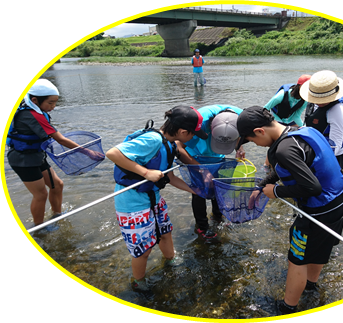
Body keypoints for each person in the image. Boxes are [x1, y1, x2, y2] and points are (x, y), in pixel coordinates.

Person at [236, 106, 343, 314]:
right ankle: (311, 285)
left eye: (253, 141)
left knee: (297, 259)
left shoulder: (283, 149)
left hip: (317, 212)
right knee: (318, 249)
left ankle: (288, 308)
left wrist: (276, 191)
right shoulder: (299, 130)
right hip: (338, 201)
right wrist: (262, 185)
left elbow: (311, 187)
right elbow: (293, 168)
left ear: (260, 131)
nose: (256, 145)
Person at [106, 106, 208, 292]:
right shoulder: (153, 139)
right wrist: (145, 172)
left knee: (165, 232)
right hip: (132, 202)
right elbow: (113, 153)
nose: (194, 138)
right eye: (194, 134)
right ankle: (139, 282)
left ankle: (171, 260)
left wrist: (194, 190)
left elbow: (171, 177)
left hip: (153, 198)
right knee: (143, 250)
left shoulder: (170, 144)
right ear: (183, 132)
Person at [6, 79, 103, 227]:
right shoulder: (32, 115)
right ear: (34, 100)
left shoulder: (36, 109)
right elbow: (60, 140)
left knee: (57, 185)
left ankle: (57, 216)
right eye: (50, 103)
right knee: (40, 195)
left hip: (36, 156)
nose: (53, 106)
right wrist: (88, 152)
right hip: (23, 160)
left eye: (55, 102)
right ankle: (39, 228)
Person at [176, 104, 245, 240]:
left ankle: (218, 216)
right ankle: (202, 226)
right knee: (199, 191)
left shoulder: (242, 118)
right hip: (196, 156)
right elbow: (178, 147)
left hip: (218, 156)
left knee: (218, 186)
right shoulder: (199, 122)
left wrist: (239, 147)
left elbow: (241, 136)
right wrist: (201, 169)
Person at [300, 70, 343, 170]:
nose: (319, 103)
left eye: (323, 101)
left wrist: (314, 160)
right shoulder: (314, 101)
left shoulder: (337, 110)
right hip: (317, 147)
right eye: (316, 99)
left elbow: (335, 146)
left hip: (332, 155)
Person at [262, 75, 311, 173]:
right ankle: (266, 165)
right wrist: (272, 124)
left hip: (291, 120)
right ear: (300, 86)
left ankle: (290, 163)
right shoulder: (282, 94)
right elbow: (265, 108)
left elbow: (296, 116)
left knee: (300, 138)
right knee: (275, 142)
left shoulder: (305, 99)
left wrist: (304, 128)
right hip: (276, 118)